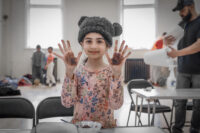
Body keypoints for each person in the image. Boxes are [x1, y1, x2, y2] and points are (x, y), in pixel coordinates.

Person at [54, 16, 131, 128]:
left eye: (99, 41)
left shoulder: (112, 73)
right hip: (80, 128)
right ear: (82, 44)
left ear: (107, 46)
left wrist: (117, 74)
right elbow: (67, 103)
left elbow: (116, 105)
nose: (93, 46)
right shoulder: (78, 72)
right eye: (88, 41)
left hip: (105, 128)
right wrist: (69, 72)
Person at [164, 0, 200, 133]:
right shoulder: (183, 23)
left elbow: (198, 45)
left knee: (198, 104)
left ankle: (195, 129)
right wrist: (166, 41)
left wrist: (177, 53)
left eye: (182, 10)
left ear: (191, 6)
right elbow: (171, 39)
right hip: (182, 69)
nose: (180, 13)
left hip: (198, 71)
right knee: (179, 102)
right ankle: (177, 130)